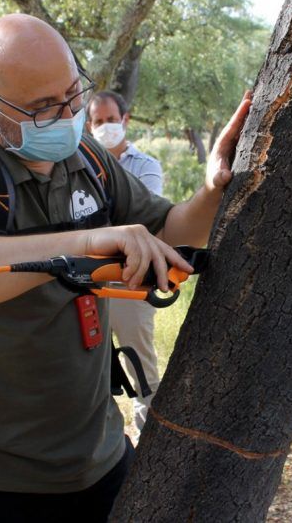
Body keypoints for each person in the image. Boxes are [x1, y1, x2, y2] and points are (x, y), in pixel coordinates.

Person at [0, 13, 249, 521]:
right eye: (41, 107)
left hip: (95, 456)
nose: (66, 114)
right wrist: (82, 242)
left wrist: (216, 188)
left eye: (73, 94)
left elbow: (169, 230)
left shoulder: (86, 157)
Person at [86, 90, 164, 441]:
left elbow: (141, 219)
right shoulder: (81, 169)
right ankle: (106, 447)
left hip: (131, 282)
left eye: (110, 120)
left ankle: (150, 443)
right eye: (98, 122)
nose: (105, 127)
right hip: (89, 281)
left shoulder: (145, 166)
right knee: (92, 367)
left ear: (125, 120)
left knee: (140, 364)